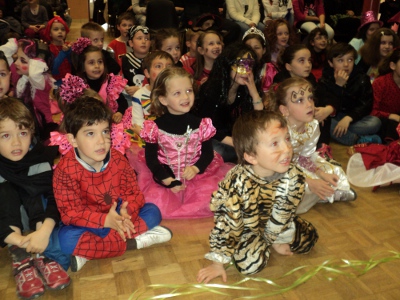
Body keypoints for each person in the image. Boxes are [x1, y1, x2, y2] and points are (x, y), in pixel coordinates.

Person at [196, 110, 318, 283]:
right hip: (247, 229)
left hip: (276, 225)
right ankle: (255, 245)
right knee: (251, 265)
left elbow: (285, 211)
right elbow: (227, 224)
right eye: (275, 143)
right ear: (251, 156)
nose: (287, 148)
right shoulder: (238, 184)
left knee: (309, 240)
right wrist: (218, 262)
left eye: (287, 139)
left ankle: (271, 241)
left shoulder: (293, 175)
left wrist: (276, 239)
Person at [53, 96, 172, 272]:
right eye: (90, 133)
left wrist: (126, 212)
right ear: (73, 140)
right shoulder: (65, 170)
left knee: (153, 211)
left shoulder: (118, 159)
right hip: (90, 223)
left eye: (105, 132)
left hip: (119, 216)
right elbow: (70, 213)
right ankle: (134, 242)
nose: (101, 141)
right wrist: (104, 221)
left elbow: (134, 194)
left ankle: (91, 251)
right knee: (65, 239)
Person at [128, 67, 232, 219]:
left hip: (198, 179)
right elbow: (152, 159)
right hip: (164, 177)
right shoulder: (154, 128)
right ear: (163, 99)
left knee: (213, 199)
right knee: (154, 206)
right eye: (177, 93)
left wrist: (196, 168)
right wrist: (167, 180)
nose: (185, 96)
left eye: (189, 91)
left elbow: (208, 153)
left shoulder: (202, 124)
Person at [0, 97, 70, 299]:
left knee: (37, 187)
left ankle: (43, 253)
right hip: (10, 230)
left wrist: (44, 233)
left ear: (32, 133)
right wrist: (22, 242)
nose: (16, 142)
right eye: (5, 135)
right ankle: (20, 259)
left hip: (38, 225)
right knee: (6, 190)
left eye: (23, 133)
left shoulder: (38, 156)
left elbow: (54, 197)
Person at [269, 77, 356, 209]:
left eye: (310, 98)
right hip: (277, 169)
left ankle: (328, 192)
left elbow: (305, 157)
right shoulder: (279, 131)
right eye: (300, 100)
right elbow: (275, 166)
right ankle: (327, 194)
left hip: (298, 164)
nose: (309, 104)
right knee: (293, 188)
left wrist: (321, 173)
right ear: (284, 110)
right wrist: (308, 181)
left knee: (333, 170)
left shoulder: (312, 125)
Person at [195, 43, 263, 162]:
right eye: (241, 65)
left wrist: (254, 92)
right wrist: (237, 144)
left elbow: (259, 120)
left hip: (236, 139)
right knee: (221, 152)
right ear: (228, 65)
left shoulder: (245, 90)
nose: (246, 71)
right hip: (209, 138)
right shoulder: (211, 89)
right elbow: (206, 127)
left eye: (249, 66)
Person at [315, 43, 381, 146]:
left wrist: (349, 118)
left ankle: (344, 132)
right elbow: (324, 105)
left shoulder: (361, 78)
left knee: (375, 123)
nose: (346, 64)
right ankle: (357, 139)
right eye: (340, 60)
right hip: (333, 117)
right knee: (323, 122)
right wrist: (338, 86)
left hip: (353, 118)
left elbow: (366, 105)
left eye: (350, 60)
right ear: (331, 63)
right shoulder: (325, 79)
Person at [0, 38, 60, 140]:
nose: (16, 63)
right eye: (17, 58)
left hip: (41, 123)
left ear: (35, 64)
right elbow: (4, 56)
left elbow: (34, 74)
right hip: (22, 120)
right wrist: (14, 46)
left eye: (23, 60)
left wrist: (37, 57)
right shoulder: (18, 75)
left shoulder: (41, 81)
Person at [72, 37, 128, 123]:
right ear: (83, 67)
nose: (97, 66)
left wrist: (119, 113)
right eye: (91, 62)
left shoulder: (111, 82)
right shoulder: (78, 86)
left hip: (110, 121)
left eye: (100, 62)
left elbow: (123, 101)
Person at [131, 51, 174, 133]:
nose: (164, 70)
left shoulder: (176, 93)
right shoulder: (139, 95)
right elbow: (137, 122)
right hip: (146, 134)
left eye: (169, 67)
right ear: (147, 73)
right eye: (158, 66)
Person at [371, 48, 400, 142]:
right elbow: (372, 110)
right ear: (393, 65)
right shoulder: (380, 83)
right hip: (384, 120)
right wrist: (390, 115)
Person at [242, 26, 278, 93]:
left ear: (264, 50)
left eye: (257, 48)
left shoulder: (270, 70)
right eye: (248, 48)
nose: (253, 51)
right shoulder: (238, 69)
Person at [121, 25, 151, 97]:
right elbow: (120, 79)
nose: (143, 41)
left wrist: (140, 89)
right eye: (139, 38)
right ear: (131, 43)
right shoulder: (125, 59)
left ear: (150, 43)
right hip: (129, 96)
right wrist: (126, 88)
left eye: (147, 39)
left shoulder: (154, 59)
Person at [43, 16, 72, 86]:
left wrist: (69, 52)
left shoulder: (69, 45)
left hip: (70, 79)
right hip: (56, 82)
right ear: (50, 33)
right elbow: (53, 69)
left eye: (63, 29)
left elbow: (73, 64)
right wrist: (63, 52)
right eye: (56, 29)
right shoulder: (49, 49)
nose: (60, 32)